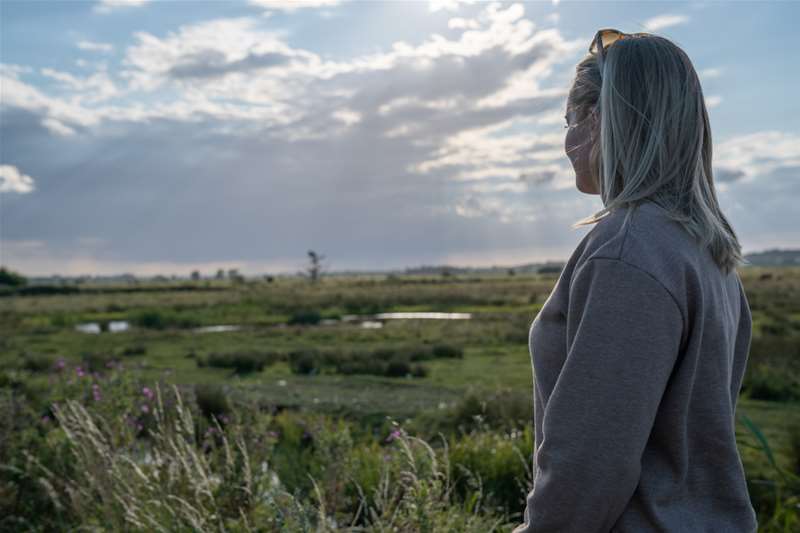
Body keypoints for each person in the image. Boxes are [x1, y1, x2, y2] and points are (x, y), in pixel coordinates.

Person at [512, 29, 758, 532]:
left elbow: (588, 468)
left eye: (570, 120)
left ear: (602, 119)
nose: (565, 144)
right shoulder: (705, 250)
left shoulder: (628, 250)